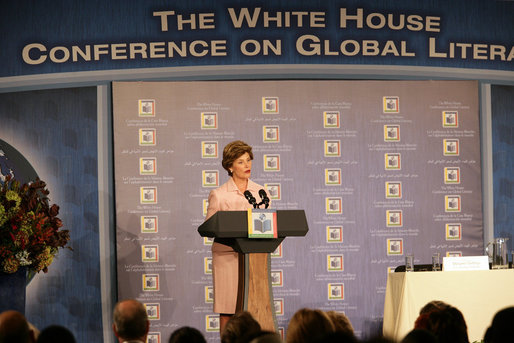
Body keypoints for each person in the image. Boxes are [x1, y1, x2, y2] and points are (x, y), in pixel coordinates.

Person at [205, 140, 270, 334]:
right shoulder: (219, 195)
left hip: (255, 258)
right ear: (230, 166)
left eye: (249, 160)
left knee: (256, 308)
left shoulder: (261, 192)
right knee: (228, 310)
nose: (247, 165)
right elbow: (209, 228)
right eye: (241, 162)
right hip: (227, 258)